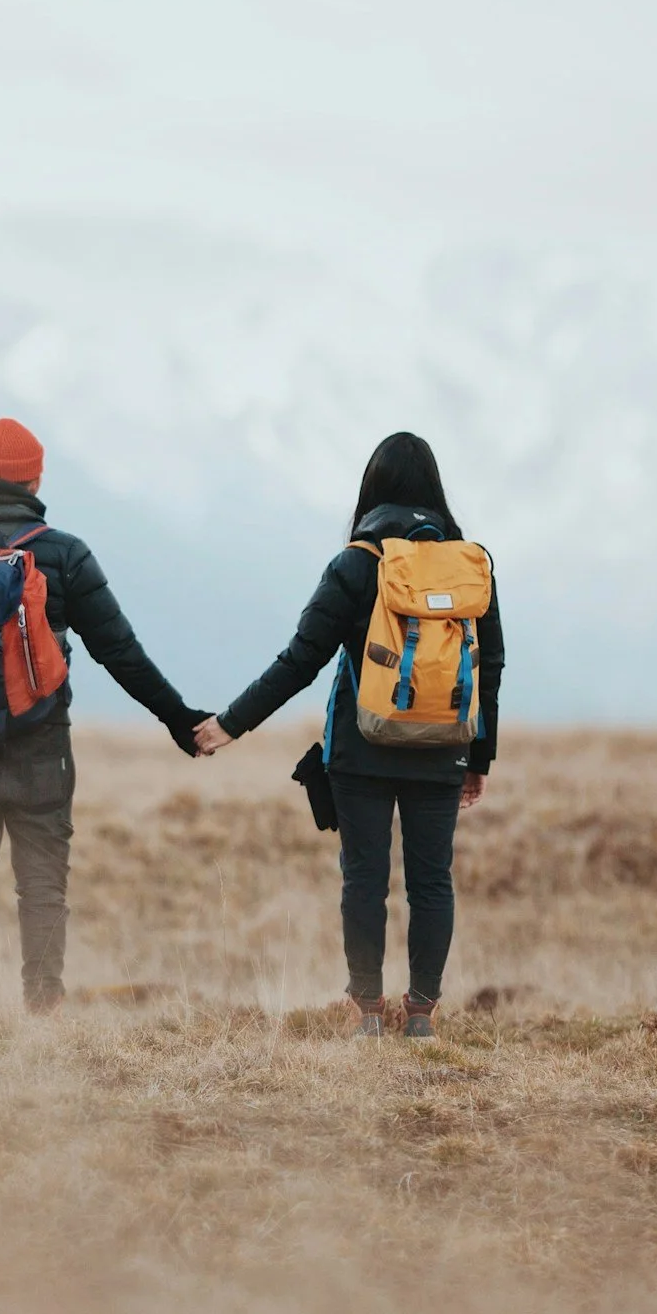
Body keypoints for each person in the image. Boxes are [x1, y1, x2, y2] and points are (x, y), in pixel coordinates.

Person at [0, 417, 209, 1011]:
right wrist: (179, 720)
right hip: (41, 751)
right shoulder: (62, 554)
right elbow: (120, 651)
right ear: (34, 478)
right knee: (41, 887)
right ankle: (42, 1011)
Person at [196, 432, 503, 1039]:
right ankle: (420, 1014)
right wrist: (479, 756)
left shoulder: (356, 563)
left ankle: (366, 1008)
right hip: (444, 745)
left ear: (372, 490)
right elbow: (488, 666)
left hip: (360, 751)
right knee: (431, 880)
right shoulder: (470, 564)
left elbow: (300, 658)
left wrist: (231, 723)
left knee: (364, 876)